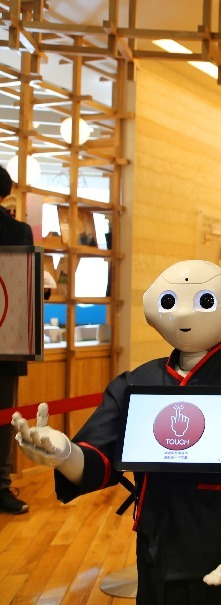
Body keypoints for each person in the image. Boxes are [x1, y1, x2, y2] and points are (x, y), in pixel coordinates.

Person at [12, 260, 221, 604]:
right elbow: (101, 456)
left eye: (203, 301)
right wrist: (65, 454)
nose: (184, 314)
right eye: (170, 301)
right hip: (156, 539)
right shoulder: (137, 383)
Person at [0, 164, 33, 515]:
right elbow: (23, 287)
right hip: (6, 340)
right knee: (2, 419)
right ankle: (0, 487)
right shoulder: (17, 230)